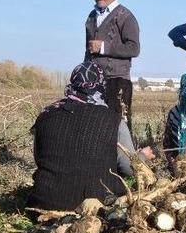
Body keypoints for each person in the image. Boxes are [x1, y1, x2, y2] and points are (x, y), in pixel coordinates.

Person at [28, 62, 126, 211]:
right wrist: (142, 157)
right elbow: (128, 168)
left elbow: (39, 158)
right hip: (99, 207)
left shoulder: (47, 114)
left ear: (74, 83)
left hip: (44, 204)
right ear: (101, 86)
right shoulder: (114, 120)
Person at [85, 0, 140, 133]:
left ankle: (126, 159)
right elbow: (87, 51)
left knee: (119, 128)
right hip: (94, 81)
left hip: (117, 82)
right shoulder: (91, 16)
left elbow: (134, 48)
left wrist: (103, 47)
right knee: (95, 127)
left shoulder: (126, 16)